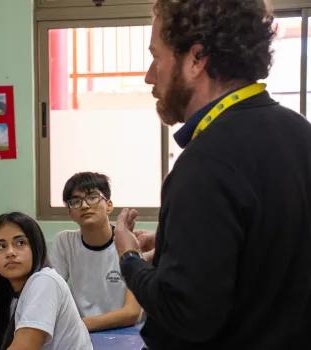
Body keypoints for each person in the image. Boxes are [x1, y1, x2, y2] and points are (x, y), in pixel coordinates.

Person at [113, 0, 311, 349]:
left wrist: (129, 260)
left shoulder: (206, 163)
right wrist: (174, 245)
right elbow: (270, 243)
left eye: (156, 57)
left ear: (196, 58)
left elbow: (186, 314)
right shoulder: (300, 134)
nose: (148, 75)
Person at [0, 212, 92, 350]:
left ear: (36, 248)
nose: (10, 252)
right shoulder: (11, 298)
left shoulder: (44, 281)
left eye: (20, 243)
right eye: (1, 246)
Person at [50, 172, 141, 331]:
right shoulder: (64, 242)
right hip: (83, 335)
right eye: (76, 201)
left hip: (127, 334)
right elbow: (53, 297)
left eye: (92, 197)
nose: (84, 206)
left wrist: (75, 327)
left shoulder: (128, 242)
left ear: (109, 205)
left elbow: (132, 312)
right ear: (70, 213)